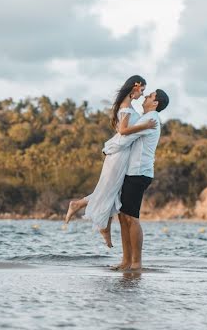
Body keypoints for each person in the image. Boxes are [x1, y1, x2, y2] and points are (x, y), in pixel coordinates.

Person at [64, 75, 158, 249]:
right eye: (142, 90)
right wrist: (144, 126)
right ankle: (90, 216)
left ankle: (100, 224)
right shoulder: (126, 107)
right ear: (135, 86)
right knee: (109, 189)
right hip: (119, 156)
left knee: (112, 191)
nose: (142, 95)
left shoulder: (126, 105)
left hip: (122, 155)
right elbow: (123, 131)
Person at [110, 89, 169, 271]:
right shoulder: (145, 118)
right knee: (123, 216)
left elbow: (124, 137)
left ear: (155, 103)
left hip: (139, 174)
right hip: (132, 173)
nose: (145, 96)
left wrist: (107, 149)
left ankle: (136, 263)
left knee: (132, 218)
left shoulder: (150, 119)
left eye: (149, 95)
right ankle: (126, 261)